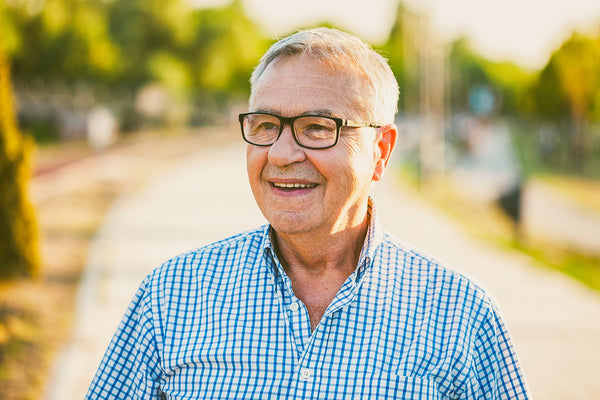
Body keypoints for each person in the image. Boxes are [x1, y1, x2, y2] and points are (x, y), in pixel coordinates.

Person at [85, 27, 531, 399]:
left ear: (381, 150)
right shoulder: (170, 298)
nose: (281, 153)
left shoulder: (461, 317)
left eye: (317, 127)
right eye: (265, 125)